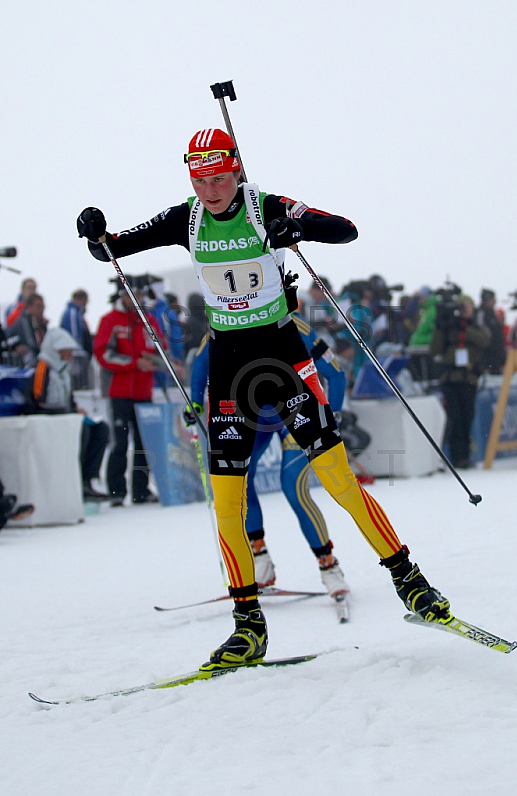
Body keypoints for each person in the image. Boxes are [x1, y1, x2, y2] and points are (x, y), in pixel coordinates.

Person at [78, 126, 452, 668]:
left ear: (236, 169)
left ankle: (410, 581)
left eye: (219, 176)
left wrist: (293, 226)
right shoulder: (186, 218)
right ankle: (248, 624)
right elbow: (111, 249)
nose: (210, 189)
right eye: (199, 178)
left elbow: (344, 229)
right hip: (229, 368)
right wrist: (96, 232)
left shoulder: (265, 206)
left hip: (283, 356)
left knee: (338, 480)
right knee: (226, 497)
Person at [184, 311, 350, 600]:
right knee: (241, 482)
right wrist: (195, 403)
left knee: (293, 487)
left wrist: (331, 413)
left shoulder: (291, 320)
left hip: (296, 415)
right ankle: (260, 559)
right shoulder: (226, 319)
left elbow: (336, 373)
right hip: (255, 420)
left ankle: (329, 566)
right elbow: (200, 363)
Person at [93, 278, 164, 506]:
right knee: (120, 443)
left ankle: (141, 491)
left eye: (140, 296)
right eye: (132, 295)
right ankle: (116, 492)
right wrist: (135, 363)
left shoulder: (148, 320)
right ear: (122, 296)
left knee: (144, 443)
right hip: (119, 392)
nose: (136, 300)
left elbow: (161, 348)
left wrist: (156, 363)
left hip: (144, 392)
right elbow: (103, 354)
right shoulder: (110, 321)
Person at [29, 327, 110, 502]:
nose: (70, 355)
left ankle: (87, 479)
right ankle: (76, 479)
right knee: (83, 432)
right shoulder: (42, 368)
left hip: (66, 416)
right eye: (67, 351)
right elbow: (36, 400)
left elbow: (68, 397)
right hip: (49, 418)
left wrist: (75, 408)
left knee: (101, 430)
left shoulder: (63, 370)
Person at [430, 295, 491, 468]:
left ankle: (464, 455)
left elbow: (485, 339)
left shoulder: (475, 327)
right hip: (450, 378)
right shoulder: (448, 328)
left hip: (469, 378)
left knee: (467, 417)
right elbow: (434, 348)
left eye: (467, 307)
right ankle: (457, 457)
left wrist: (465, 329)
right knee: (454, 418)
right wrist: (441, 326)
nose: (465, 311)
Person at [60, 288, 94, 389]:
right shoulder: (72, 313)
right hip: (76, 356)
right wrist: (79, 352)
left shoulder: (77, 313)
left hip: (77, 355)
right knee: (76, 382)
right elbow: (74, 335)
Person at [7, 292, 48, 367]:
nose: (41, 310)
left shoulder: (42, 323)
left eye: (43, 307)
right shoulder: (23, 322)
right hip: (23, 363)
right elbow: (30, 342)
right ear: (29, 307)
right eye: (38, 306)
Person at [476, 289, 506, 375]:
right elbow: (480, 330)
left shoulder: (492, 312)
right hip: (488, 353)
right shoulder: (481, 312)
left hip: (496, 352)